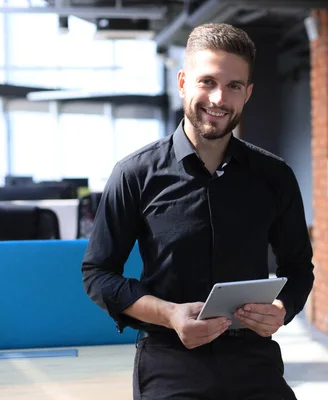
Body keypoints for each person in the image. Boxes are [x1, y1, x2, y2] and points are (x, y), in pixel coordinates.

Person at [81, 22, 314, 400]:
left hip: (253, 358)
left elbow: (299, 267)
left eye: (234, 86)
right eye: (208, 82)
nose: (219, 98)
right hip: (170, 358)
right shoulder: (135, 174)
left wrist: (282, 308)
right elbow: (98, 274)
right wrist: (169, 314)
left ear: (248, 93)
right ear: (183, 82)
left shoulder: (275, 176)